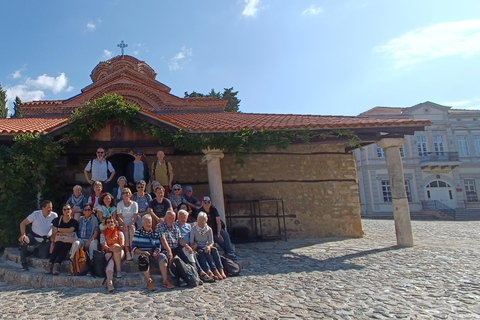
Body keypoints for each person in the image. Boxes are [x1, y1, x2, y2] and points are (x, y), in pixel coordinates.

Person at [132, 214, 173, 290]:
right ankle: (149, 281)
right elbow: (134, 248)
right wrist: (143, 253)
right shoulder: (137, 233)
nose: (149, 224)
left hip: (152, 254)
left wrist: (156, 252)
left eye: (150, 222)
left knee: (163, 257)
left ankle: (165, 280)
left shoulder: (155, 234)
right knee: (143, 258)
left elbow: (158, 246)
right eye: (147, 222)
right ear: (142, 223)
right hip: (140, 253)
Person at [175, 209, 215, 283]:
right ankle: (200, 273)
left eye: (184, 217)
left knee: (199, 252)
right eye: (180, 217)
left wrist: (194, 245)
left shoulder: (188, 226)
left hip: (190, 246)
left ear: (187, 218)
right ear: (177, 217)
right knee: (191, 253)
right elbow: (179, 239)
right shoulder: (175, 226)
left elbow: (193, 238)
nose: (182, 219)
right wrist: (188, 246)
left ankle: (208, 271)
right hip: (181, 246)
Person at [18, 200, 58, 271]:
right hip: (33, 237)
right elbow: (23, 223)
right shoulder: (35, 214)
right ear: (43, 208)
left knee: (44, 255)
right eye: (49, 207)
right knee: (24, 240)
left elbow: (56, 227)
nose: (50, 209)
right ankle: (23, 263)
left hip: (45, 240)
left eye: (51, 207)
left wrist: (53, 235)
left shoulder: (54, 215)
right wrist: (23, 234)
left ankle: (33, 250)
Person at [156, 210, 195, 278]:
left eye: (173, 218)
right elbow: (163, 239)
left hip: (176, 248)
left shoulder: (175, 227)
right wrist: (169, 250)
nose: (171, 220)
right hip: (165, 249)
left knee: (188, 252)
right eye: (169, 218)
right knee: (172, 261)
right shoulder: (160, 226)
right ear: (165, 217)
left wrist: (186, 246)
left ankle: (194, 273)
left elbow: (179, 239)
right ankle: (179, 277)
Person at [190, 211, 227, 280]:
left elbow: (211, 241)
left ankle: (220, 270)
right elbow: (191, 241)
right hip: (198, 246)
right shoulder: (194, 229)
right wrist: (194, 245)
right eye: (199, 220)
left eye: (202, 220)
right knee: (201, 252)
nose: (201, 222)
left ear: (205, 220)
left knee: (214, 250)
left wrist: (209, 246)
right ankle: (210, 270)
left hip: (206, 245)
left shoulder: (209, 229)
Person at [46, 204, 79, 275]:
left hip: (67, 240)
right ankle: (50, 264)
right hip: (60, 239)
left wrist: (59, 230)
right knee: (57, 246)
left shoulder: (74, 222)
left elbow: (71, 230)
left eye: (68, 209)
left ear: (71, 210)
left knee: (65, 247)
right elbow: (54, 231)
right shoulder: (57, 220)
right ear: (62, 211)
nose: (67, 211)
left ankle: (57, 265)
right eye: (65, 209)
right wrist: (65, 232)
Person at [100, 216, 125, 292]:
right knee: (110, 263)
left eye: (112, 222)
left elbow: (122, 245)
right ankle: (110, 282)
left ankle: (118, 270)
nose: (110, 223)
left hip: (119, 252)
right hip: (108, 252)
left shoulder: (120, 233)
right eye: (108, 222)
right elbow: (104, 245)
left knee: (116, 247)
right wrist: (111, 249)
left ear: (115, 223)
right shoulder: (103, 234)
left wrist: (115, 248)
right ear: (106, 224)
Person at [117, 187, 138, 261]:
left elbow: (135, 216)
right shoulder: (119, 204)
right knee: (125, 230)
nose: (125, 194)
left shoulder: (134, 204)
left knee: (132, 228)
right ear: (122, 195)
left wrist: (132, 223)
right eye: (123, 193)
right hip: (122, 224)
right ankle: (127, 251)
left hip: (131, 223)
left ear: (130, 194)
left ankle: (132, 249)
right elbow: (119, 217)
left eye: (127, 193)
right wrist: (124, 224)